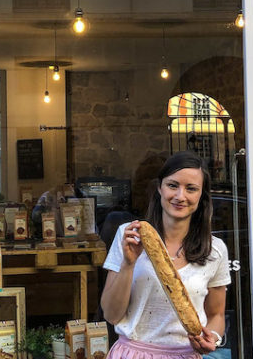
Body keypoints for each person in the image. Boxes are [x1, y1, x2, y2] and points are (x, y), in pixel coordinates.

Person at [100, 150, 230, 358]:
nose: (180, 196)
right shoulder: (131, 236)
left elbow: (216, 315)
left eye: (191, 188)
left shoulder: (215, 250)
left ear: (201, 195)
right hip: (134, 353)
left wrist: (212, 337)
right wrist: (128, 264)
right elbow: (112, 315)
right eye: (172, 185)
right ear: (159, 188)